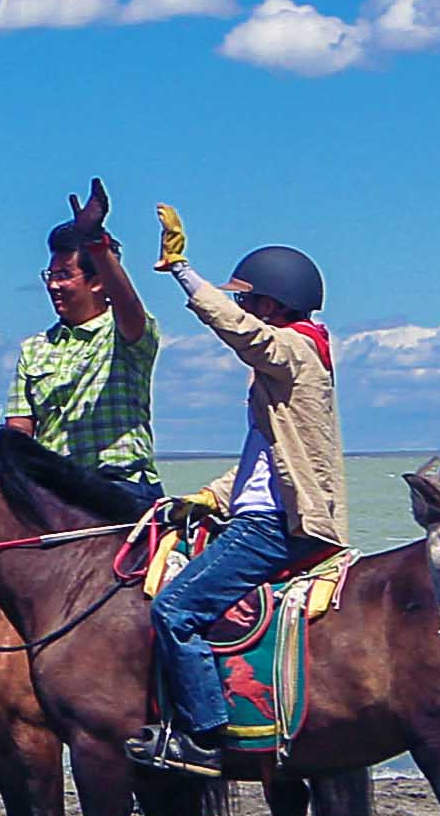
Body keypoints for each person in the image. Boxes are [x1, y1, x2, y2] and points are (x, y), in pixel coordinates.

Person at [136, 213, 337, 776]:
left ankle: (204, 737)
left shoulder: (294, 350)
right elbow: (269, 463)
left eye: (249, 301)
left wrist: (183, 272)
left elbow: (243, 333)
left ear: (273, 305)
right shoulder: (292, 367)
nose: (243, 308)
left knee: (175, 610)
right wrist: (210, 496)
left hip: (268, 526)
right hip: (257, 513)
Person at [0, 182, 162, 524]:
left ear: (97, 281)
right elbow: (19, 431)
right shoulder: (34, 348)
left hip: (121, 488)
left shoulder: (125, 333)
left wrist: (96, 244)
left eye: (64, 275)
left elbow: (129, 306)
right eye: (50, 275)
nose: (53, 285)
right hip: (55, 496)